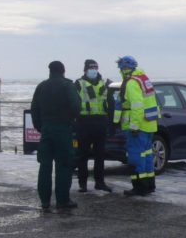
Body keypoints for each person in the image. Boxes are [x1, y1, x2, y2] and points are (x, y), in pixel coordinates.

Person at [31, 61, 81, 210]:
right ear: (63, 71)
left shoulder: (41, 86)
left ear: (50, 71)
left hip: (46, 130)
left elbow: (34, 109)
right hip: (63, 129)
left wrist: (40, 127)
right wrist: (71, 121)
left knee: (45, 166)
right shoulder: (68, 86)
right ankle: (62, 200)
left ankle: (45, 201)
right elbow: (76, 107)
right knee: (64, 165)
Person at [113, 56, 159, 196]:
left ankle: (139, 187)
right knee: (147, 155)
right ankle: (149, 185)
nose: (123, 71)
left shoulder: (132, 83)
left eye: (123, 68)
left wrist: (134, 126)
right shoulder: (144, 79)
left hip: (138, 127)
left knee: (136, 157)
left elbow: (137, 106)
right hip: (149, 124)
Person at [74, 60, 112, 193]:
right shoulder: (78, 84)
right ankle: (82, 183)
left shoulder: (104, 83)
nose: (94, 70)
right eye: (91, 68)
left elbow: (110, 103)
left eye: (96, 67)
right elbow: (73, 103)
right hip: (84, 122)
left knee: (100, 155)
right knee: (82, 155)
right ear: (85, 70)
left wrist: (111, 123)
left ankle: (99, 182)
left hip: (100, 122)